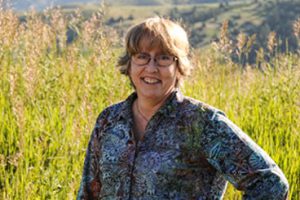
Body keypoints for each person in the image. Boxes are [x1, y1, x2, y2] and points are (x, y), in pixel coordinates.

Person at [77, 17, 289, 199]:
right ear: (129, 63)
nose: (151, 68)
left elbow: (270, 182)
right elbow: (89, 192)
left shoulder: (202, 122)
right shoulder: (109, 120)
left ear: (178, 67)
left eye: (163, 58)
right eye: (142, 56)